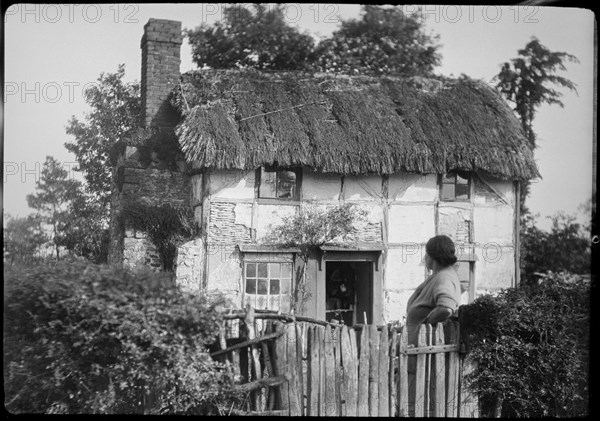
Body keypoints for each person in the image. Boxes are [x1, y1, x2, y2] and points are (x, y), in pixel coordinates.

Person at [405, 235, 461, 416]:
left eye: (426, 254)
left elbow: (446, 307)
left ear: (433, 256)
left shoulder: (443, 277)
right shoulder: (439, 276)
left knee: (422, 404)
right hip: (420, 355)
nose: (425, 259)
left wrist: (427, 323)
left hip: (425, 357)